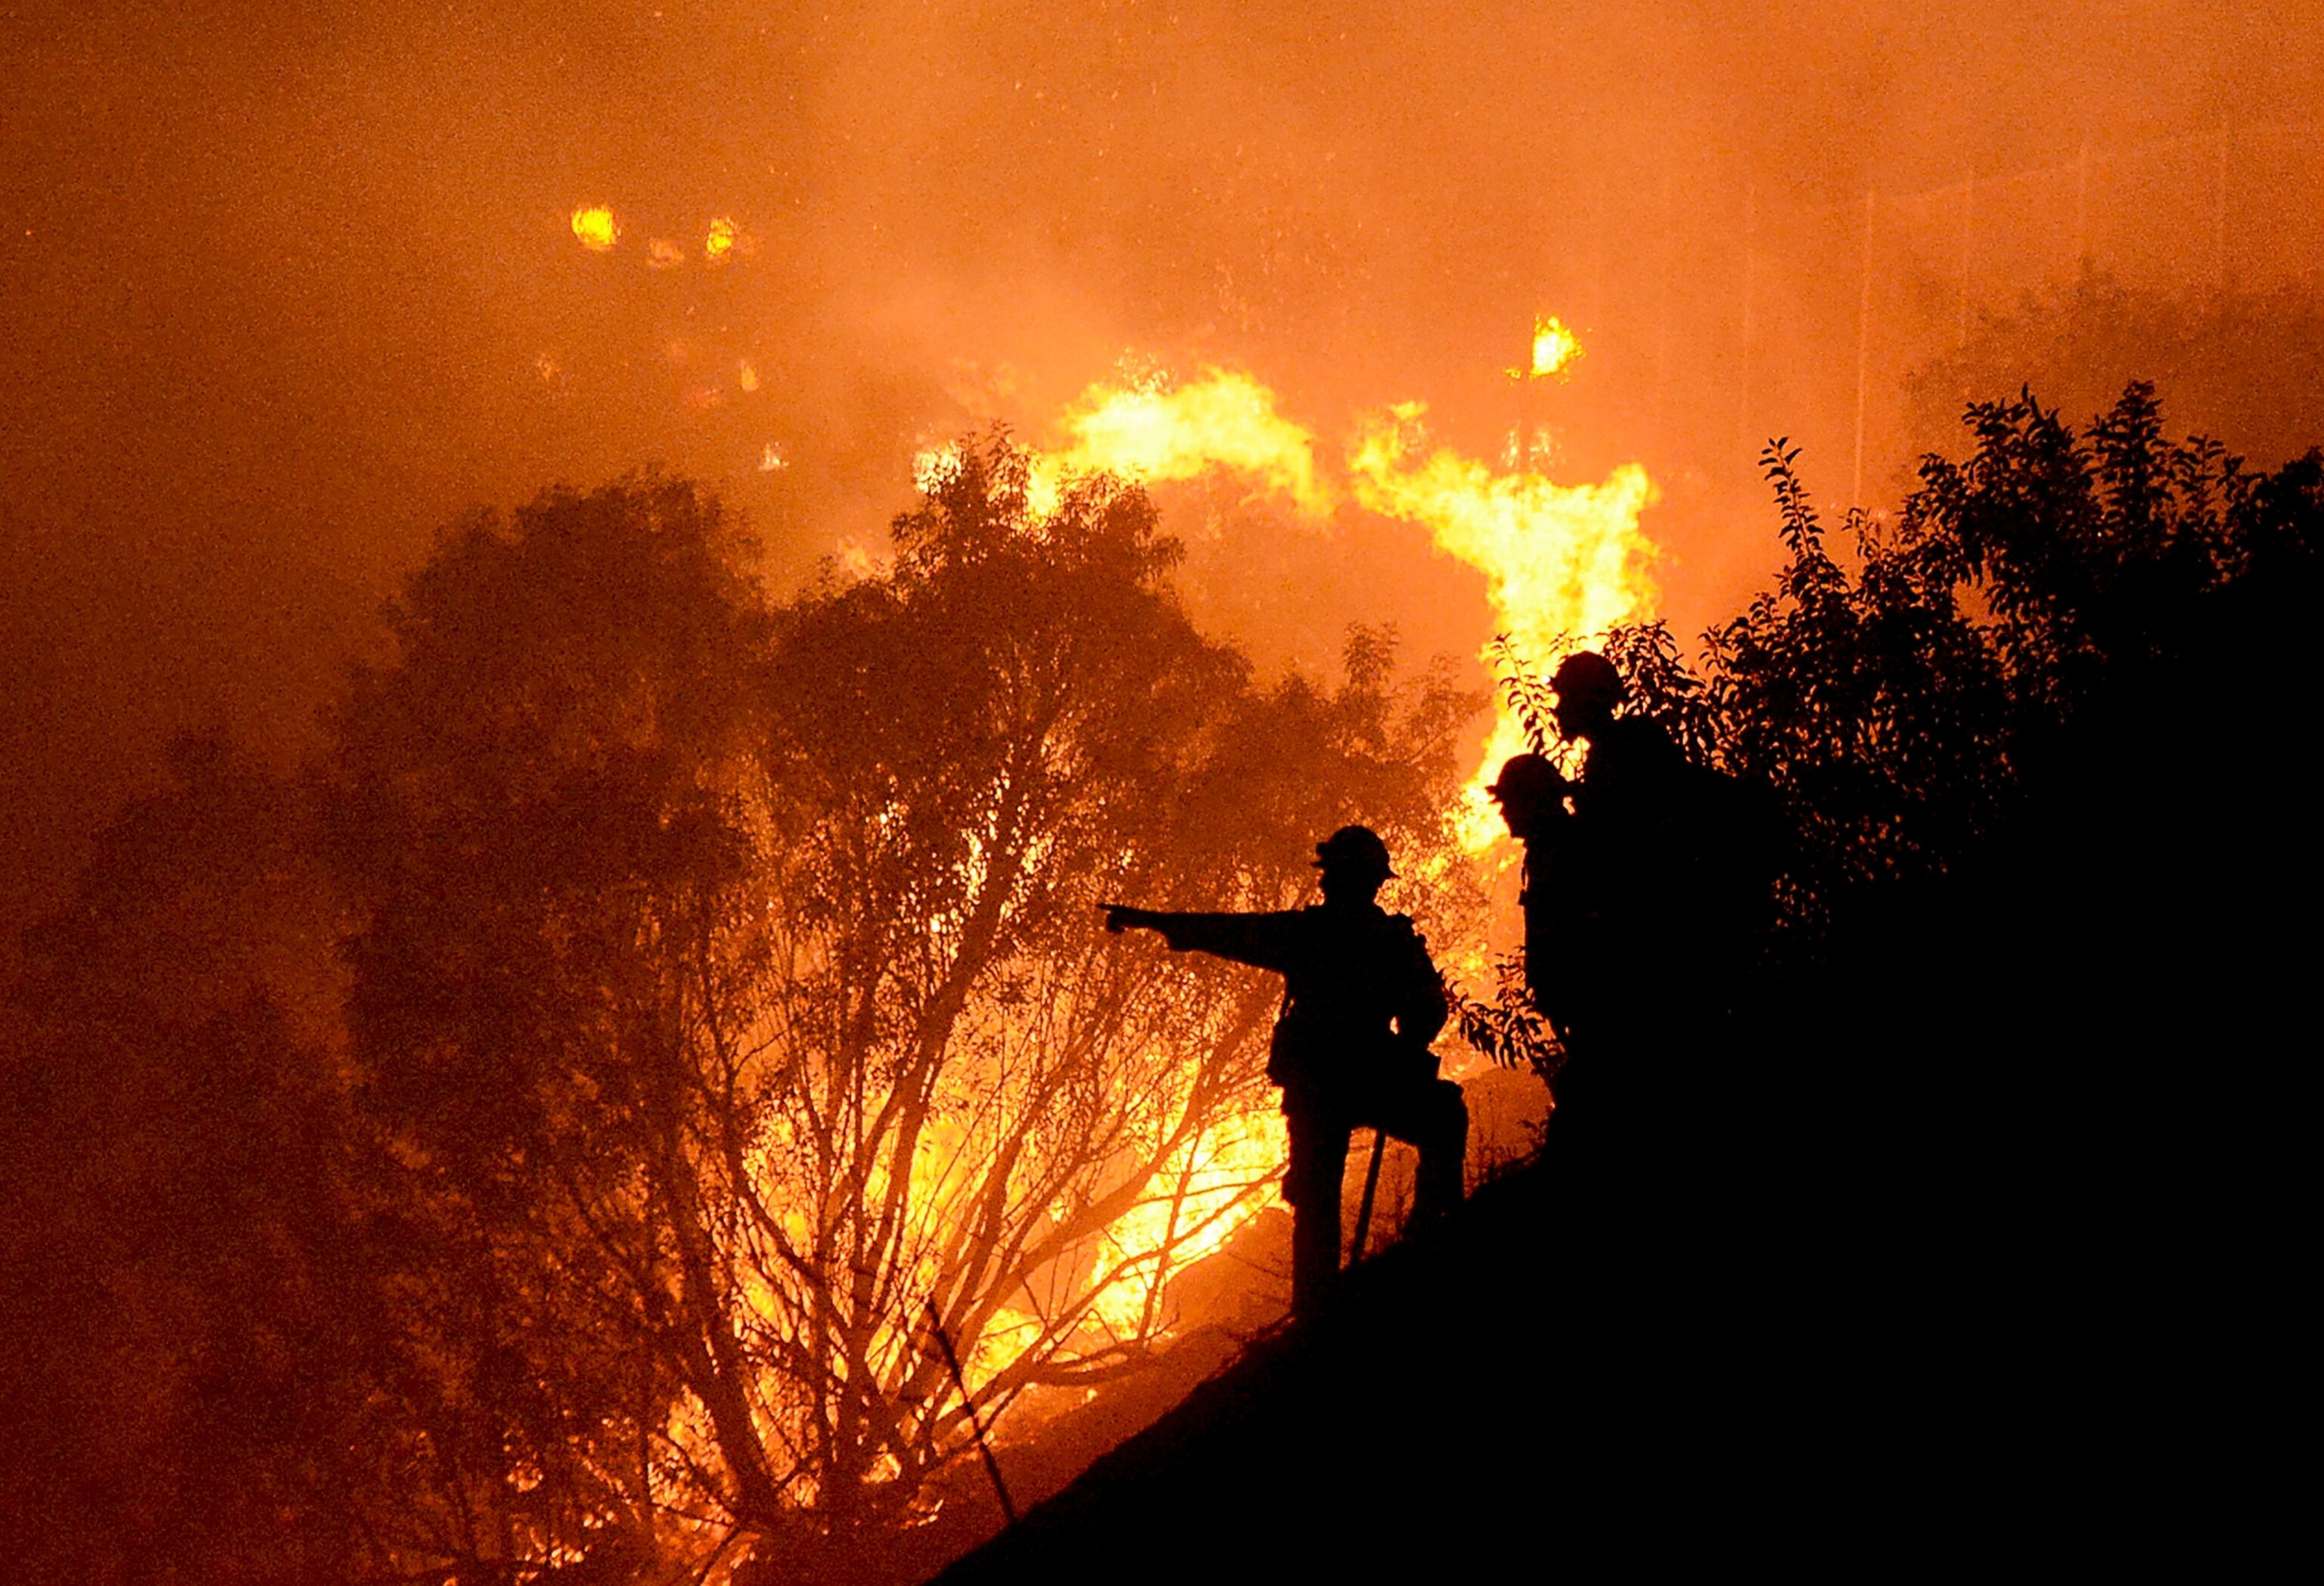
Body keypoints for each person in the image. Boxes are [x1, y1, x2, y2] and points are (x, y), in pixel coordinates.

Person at [1105, 826, 1467, 1316]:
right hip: (1345, 1080)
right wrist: (1155, 921)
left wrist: (1154, 921)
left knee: (1327, 1194)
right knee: (1411, 1136)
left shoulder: (1333, 935)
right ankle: (1388, 1266)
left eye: (1339, 876)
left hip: (1332, 1080)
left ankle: (1379, 1271)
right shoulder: (1378, 938)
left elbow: (1228, 932)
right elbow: (1227, 932)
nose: (1333, 886)